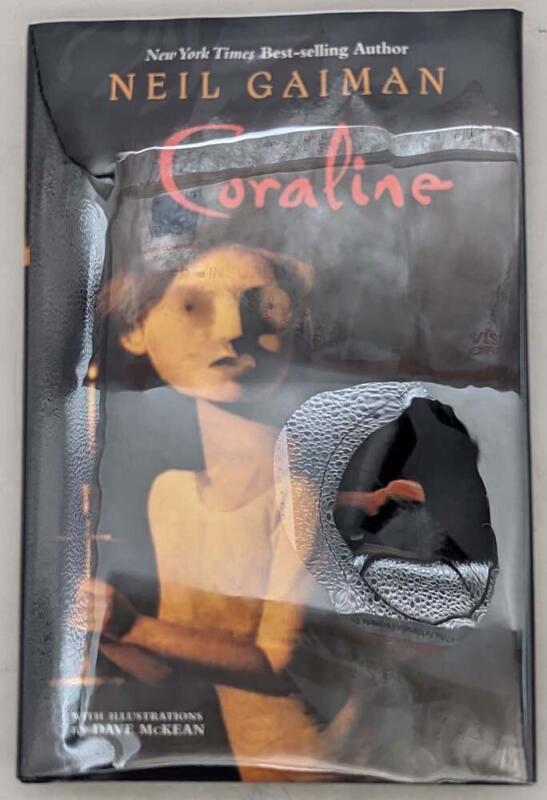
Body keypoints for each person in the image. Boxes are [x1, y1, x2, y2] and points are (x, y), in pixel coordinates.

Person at [76, 242, 344, 780]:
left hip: (337, 766)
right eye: (194, 306)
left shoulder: (304, 488)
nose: (232, 331)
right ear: (136, 329)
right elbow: (168, 663)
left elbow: (275, 661)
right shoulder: (172, 495)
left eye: (265, 308)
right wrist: (101, 626)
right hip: (255, 771)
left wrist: (133, 626)